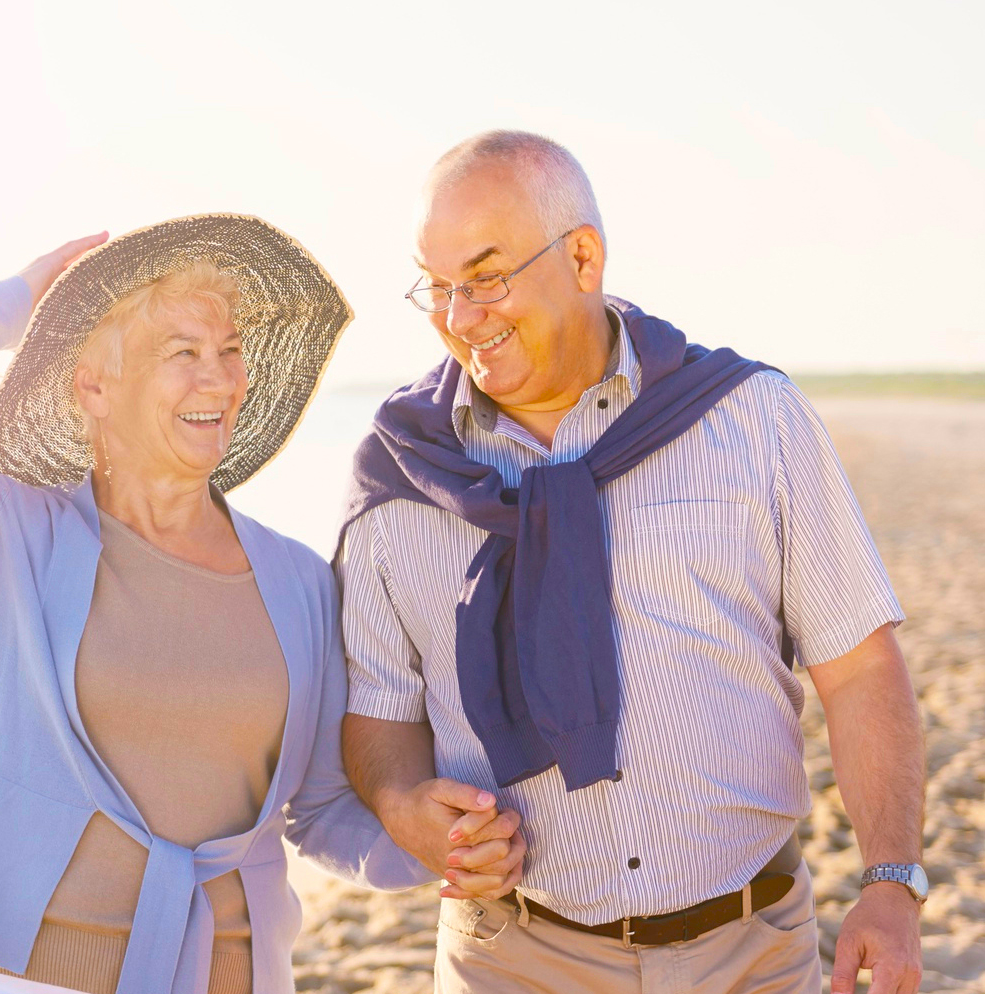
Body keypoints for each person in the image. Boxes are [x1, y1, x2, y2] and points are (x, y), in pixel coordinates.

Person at [0, 215, 523, 994]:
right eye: (181, 354)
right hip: (16, 975)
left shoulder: (300, 581)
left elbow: (320, 811)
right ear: (93, 384)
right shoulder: (5, 534)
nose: (216, 379)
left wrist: (425, 842)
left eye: (228, 353)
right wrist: (13, 304)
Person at [336, 132, 925, 994]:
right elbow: (378, 710)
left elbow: (861, 668)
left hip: (750, 952)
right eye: (437, 286)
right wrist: (401, 807)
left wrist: (890, 881)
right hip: (511, 956)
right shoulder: (398, 472)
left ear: (581, 257)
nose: (460, 318)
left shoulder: (750, 419)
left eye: (486, 276)